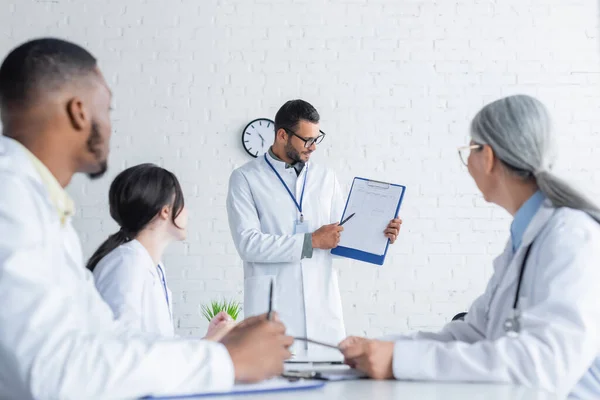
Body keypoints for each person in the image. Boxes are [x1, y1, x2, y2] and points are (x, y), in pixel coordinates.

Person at [0, 38, 292, 400]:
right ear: (79, 112)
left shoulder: (38, 205)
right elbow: (52, 372)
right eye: (107, 108)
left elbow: (108, 340)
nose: (109, 125)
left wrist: (219, 349)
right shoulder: (10, 200)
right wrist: (225, 362)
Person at [338, 94, 600, 399]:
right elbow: (474, 333)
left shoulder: (570, 235)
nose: (468, 166)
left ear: (487, 156)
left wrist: (397, 360)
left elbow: (544, 363)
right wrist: (383, 347)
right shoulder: (524, 237)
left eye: (469, 152)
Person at [226, 99, 402, 357]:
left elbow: (342, 234)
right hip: (273, 303)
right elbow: (248, 244)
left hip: (321, 305)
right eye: (307, 140)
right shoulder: (245, 178)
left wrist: (380, 232)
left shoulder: (325, 177)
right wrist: (310, 242)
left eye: (317, 138)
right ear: (282, 134)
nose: (314, 147)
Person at [86, 163, 234, 340]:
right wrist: (209, 343)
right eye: (182, 203)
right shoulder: (126, 265)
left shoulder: (150, 266)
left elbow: (157, 346)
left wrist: (207, 339)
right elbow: (124, 351)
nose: (187, 212)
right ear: (165, 211)